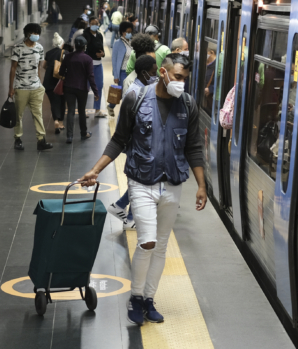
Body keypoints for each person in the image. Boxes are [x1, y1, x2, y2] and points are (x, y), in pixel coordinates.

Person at [78, 53, 206, 325]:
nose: (181, 83)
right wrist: (95, 170)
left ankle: (149, 298)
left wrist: (201, 185)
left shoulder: (188, 105)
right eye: (178, 77)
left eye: (185, 79)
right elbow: (118, 140)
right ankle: (135, 297)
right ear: (163, 72)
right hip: (141, 182)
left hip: (172, 184)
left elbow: (194, 147)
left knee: (160, 247)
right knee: (147, 241)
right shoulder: (136, 99)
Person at [106, 54, 159, 230]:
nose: (156, 75)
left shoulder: (140, 88)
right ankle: (129, 217)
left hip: (138, 145)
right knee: (139, 184)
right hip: (136, 146)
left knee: (139, 182)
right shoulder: (135, 92)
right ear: (144, 73)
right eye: (153, 72)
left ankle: (121, 207)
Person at [8, 23, 53, 151]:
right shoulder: (18, 49)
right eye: (34, 33)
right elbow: (13, 69)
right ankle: (18, 139)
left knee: (38, 114)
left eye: (37, 33)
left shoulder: (39, 48)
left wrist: (40, 83)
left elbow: (38, 67)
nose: (36, 35)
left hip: (36, 87)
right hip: (21, 87)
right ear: (28, 34)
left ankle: (41, 140)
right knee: (18, 115)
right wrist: (11, 88)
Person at [58, 36, 99, 143]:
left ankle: (69, 136)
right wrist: (96, 92)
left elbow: (61, 72)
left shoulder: (68, 57)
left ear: (75, 46)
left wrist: (69, 74)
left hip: (69, 87)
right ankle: (83, 133)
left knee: (70, 111)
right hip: (82, 88)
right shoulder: (88, 59)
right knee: (81, 111)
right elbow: (91, 76)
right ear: (84, 47)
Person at [43, 33, 71, 134]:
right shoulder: (66, 52)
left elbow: (44, 66)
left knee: (53, 102)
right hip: (61, 82)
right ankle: (61, 122)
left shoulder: (49, 53)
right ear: (62, 44)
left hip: (49, 81)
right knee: (62, 101)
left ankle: (55, 120)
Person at [83, 16, 108, 118]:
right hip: (88, 65)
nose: (94, 25)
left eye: (96, 24)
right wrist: (94, 54)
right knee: (86, 87)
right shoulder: (85, 35)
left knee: (99, 87)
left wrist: (102, 54)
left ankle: (97, 110)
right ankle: (82, 110)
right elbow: (85, 50)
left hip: (98, 65)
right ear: (89, 24)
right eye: (92, 23)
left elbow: (101, 48)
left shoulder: (99, 35)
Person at [108, 21, 134, 116]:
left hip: (132, 72)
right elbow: (114, 61)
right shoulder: (117, 43)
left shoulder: (132, 42)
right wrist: (116, 75)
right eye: (127, 32)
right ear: (122, 32)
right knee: (121, 92)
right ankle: (112, 106)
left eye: (130, 32)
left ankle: (124, 111)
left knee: (128, 92)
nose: (129, 34)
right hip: (122, 72)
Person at [204, 44, 217, 110]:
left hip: (212, 98)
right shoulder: (204, 63)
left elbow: (221, 83)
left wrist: (211, 89)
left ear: (212, 52)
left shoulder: (217, 65)